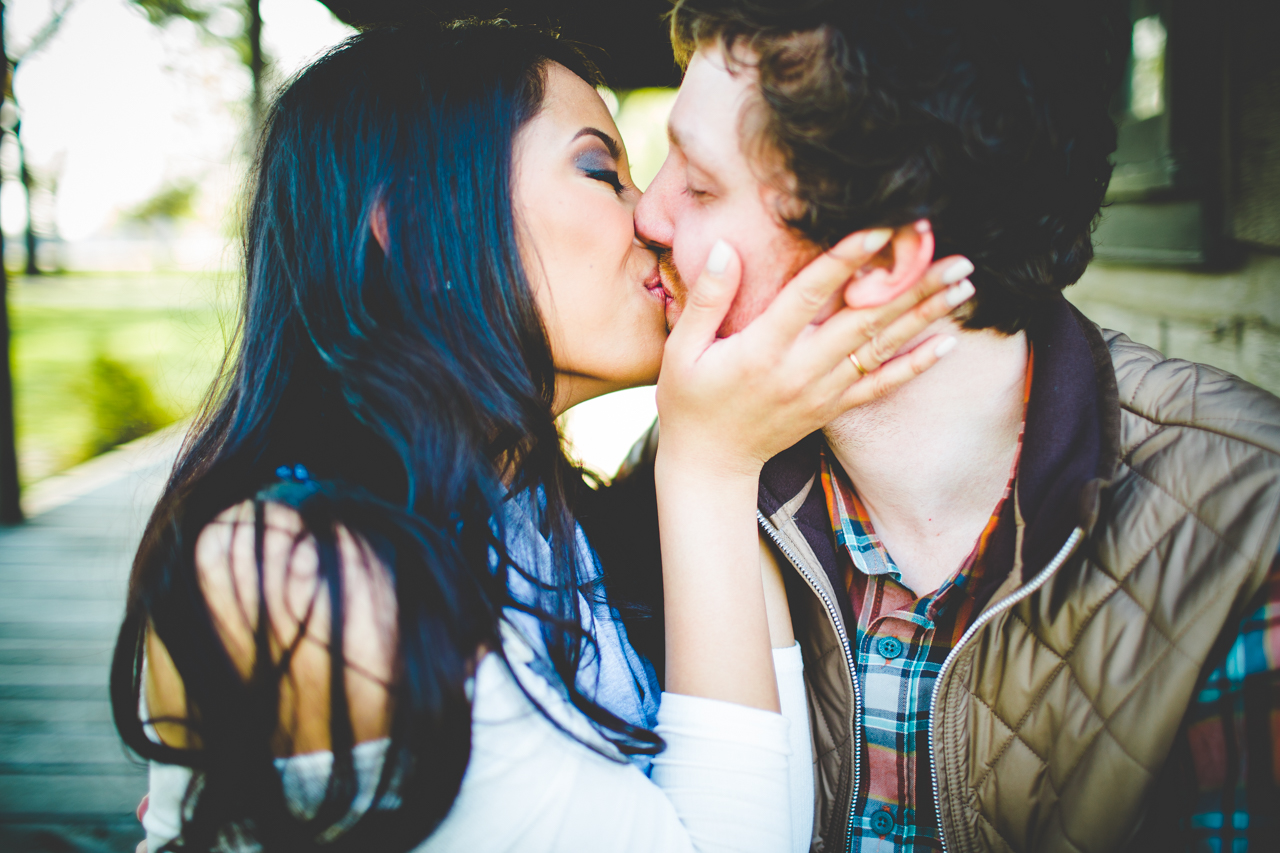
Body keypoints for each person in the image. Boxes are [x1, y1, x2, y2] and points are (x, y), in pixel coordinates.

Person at [111, 19, 978, 853]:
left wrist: (723, 446)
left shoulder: (544, 516)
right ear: (413, 225)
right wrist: (710, 464)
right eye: (602, 171)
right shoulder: (295, 573)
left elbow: (769, 812)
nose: (653, 219)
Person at [602, 1, 1280, 851]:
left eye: (700, 185)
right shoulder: (687, 465)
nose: (650, 213)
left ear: (884, 263)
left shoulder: (1244, 537)